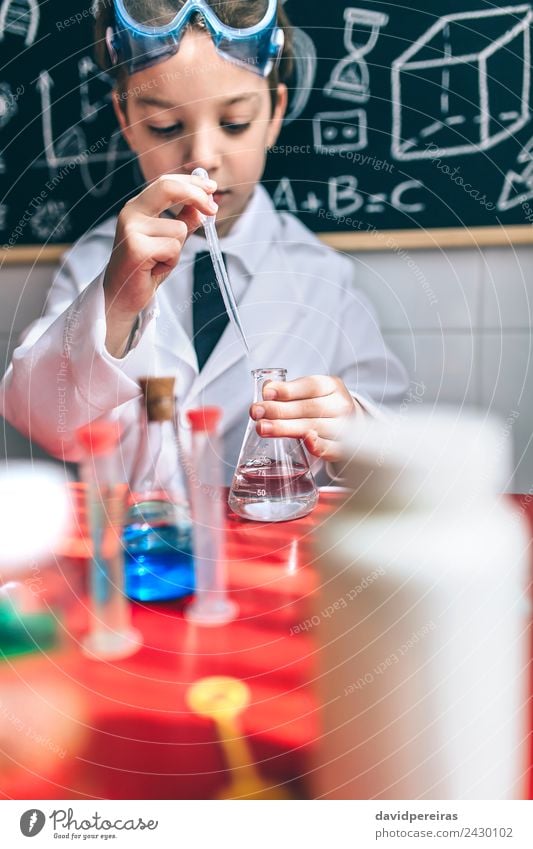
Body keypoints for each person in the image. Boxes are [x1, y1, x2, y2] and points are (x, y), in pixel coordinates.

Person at [1, 0, 408, 486]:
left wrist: (353, 428)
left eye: (235, 123)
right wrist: (113, 305)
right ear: (127, 121)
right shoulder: (92, 267)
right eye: (165, 127)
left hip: (272, 549)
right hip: (142, 551)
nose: (202, 159)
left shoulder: (323, 278)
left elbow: (399, 446)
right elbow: (42, 421)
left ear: (275, 112)